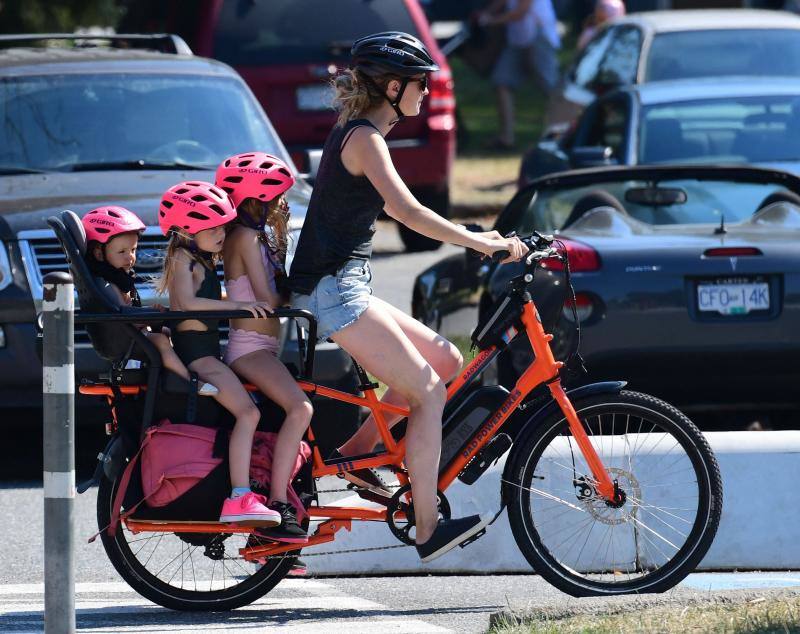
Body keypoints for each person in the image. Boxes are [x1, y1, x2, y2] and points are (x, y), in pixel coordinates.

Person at [288, 31, 528, 562]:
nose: (427, 93)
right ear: (394, 87)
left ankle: (357, 458)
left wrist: (480, 239)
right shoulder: (364, 139)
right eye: (421, 84)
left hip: (347, 284)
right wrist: (482, 242)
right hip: (335, 292)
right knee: (427, 393)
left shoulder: (363, 133)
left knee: (445, 358)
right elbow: (407, 212)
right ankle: (426, 529)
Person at [156, 180, 280, 527]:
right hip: (198, 356)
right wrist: (240, 305)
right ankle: (240, 497)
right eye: (212, 227)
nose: (221, 232)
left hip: (207, 352)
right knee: (248, 415)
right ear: (185, 230)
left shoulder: (201, 259)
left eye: (224, 224)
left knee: (247, 413)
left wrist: (239, 302)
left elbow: (204, 299)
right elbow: (187, 304)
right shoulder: (183, 259)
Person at [216, 152, 313, 544]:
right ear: (254, 198)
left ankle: (279, 503)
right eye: (273, 200)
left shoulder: (253, 236)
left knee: (293, 412)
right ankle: (278, 503)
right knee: (300, 407)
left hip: (262, 347)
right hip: (249, 348)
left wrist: (281, 233)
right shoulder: (244, 237)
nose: (279, 205)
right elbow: (269, 299)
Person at [81, 206, 217, 396]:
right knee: (161, 341)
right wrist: (150, 317)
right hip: (122, 341)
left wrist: (152, 315)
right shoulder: (107, 285)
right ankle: (190, 382)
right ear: (98, 253)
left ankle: (174, 376)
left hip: (131, 334)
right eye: (122, 252)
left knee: (169, 332)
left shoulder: (116, 279)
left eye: (134, 249)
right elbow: (122, 316)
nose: (130, 257)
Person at [477, 0, 562, 149]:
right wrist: (486, 13)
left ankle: (565, 133)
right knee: (502, 81)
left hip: (539, 37)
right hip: (518, 40)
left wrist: (490, 20)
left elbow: (520, 12)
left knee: (551, 89)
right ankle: (506, 138)